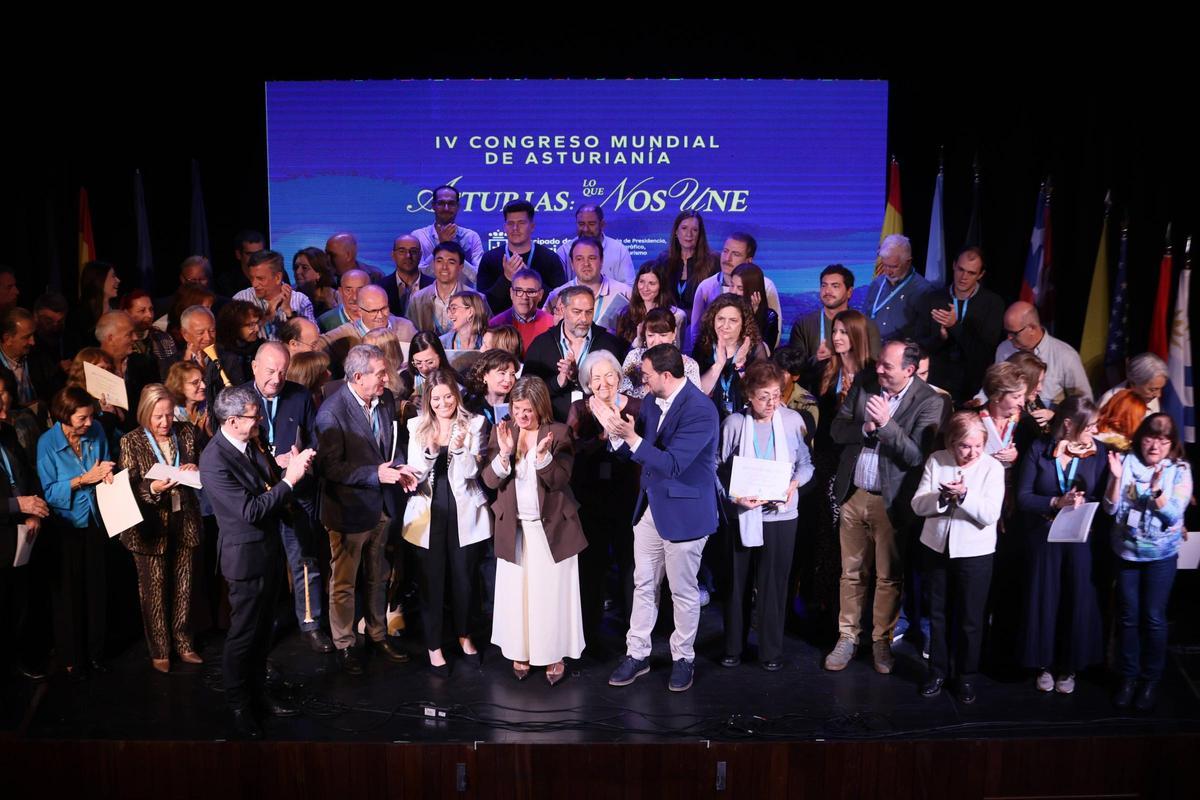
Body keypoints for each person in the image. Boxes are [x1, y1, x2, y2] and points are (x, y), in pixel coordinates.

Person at [601, 344, 720, 692]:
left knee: (682, 591)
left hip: (684, 512)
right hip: (651, 507)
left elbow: (673, 464)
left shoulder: (701, 410)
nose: (643, 381)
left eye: (647, 375)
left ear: (666, 375)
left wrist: (632, 437)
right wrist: (618, 436)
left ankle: (683, 658)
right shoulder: (652, 401)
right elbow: (646, 454)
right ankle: (637, 653)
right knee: (643, 585)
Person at [199, 385, 315, 739]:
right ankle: (240, 705)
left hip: (268, 551)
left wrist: (283, 472)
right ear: (232, 421)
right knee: (243, 636)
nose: (259, 420)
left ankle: (259, 694)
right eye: (253, 416)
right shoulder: (214, 459)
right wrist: (290, 481)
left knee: (264, 632)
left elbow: (265, 488)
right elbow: (250, 510)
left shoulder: (252, 443)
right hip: (244, 559)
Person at [825, 339, 945, 674]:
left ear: (909, 370)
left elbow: (916, 455)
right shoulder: (865, 384)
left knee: (889, 577)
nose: (878, 370)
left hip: (891, 502)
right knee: (851, 573)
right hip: (854, 494)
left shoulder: (929, 401)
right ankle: (847, 637)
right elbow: (837, 429)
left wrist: (888, 426)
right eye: (879, 363)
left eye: (887, 367)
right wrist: (865, 427)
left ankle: (881, 640)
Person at [315, 345, 416, 674]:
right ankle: (345, 643)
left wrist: (400, 467)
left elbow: (390, 444)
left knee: (379, 576)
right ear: (358, 377)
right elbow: (330, 468)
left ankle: (377, 633)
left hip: (382, 507)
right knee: (344, 582)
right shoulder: (332, 413)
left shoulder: (384, 400)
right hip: (348, 511)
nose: (386, 379)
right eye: (380, 374)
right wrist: (375, 475)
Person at [482, 376, 585, 685]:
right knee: (518, 596)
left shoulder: (559, 433)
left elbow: (559, 480)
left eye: (528, 409)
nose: (522, 416)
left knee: (550, 597)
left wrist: (543, 459)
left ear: (540, 407)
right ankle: (521, 650)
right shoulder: (504, 432)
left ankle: (553, 653)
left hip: (550, 530)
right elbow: (489, 481)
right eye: (517, 408)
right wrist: (503, 454)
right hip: (515, 529)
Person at [717, 360, 814, 670]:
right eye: (763, 396)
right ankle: (733, 647)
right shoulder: (734, 423)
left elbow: (806, 464)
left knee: (773, 585)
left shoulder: (791, 420)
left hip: (781, 516)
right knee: (737, 583)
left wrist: (793, 485)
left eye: (776, 394)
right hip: (742, 512)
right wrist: (733, 497)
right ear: (748, 395)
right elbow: (716, 468)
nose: (772, 403)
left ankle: (770, 651)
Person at [910, 412, 1005, 703]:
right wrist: (940, 498)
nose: (972, 452)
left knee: (970, 619)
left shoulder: (992, 468)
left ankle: (965, 676)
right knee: (937, 614)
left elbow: (991, 514)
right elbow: (916, 504)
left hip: (975, 553)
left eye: (978, 446)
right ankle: (937, 670)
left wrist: (964, 496)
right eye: (965, 446)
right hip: (937, 548)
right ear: (952, 443)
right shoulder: (937, 460)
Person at [242, 342, 331, 652]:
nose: (277, 378)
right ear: (254, 367)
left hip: (297, 495)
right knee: (264, 565)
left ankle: (311, 623)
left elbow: (316, 444)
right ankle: (264, 624)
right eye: (270, 371)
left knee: (306, 560)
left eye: (282, 371)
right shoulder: (238, 398)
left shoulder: (300, 395)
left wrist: (303, 458)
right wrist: (270, 464)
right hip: (258, 498)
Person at [1015, 396, 1107, 694]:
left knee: (1075, 598)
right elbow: (1024, 497)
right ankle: (1043, 664)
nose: (1094, 430)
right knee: (1046, 599)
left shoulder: (1098, 452)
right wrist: (1056, 501)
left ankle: (1069, 666)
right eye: (1089, 426)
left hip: (1080, 538)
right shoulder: (1040, 450)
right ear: (1068, 424)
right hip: (1045, 536)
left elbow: (1105, 498)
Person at [1103, 413, 1193, 711]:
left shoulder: (1179, 470)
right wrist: (1115, 478)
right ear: (1141, 437)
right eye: (1150, 438)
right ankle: (1128, 677)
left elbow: (1174, 515)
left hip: (1160, 557)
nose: (1155, 445)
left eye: (1163, 440)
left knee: (1153, 618)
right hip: (1126, 553)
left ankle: (1150, 679)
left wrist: (1156, 493)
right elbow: (1110, 508)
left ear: (1172, 443)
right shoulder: (1126, 462)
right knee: (1128, 617)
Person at [402, 370, 489, 675]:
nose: (443, 403)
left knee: (464, 580)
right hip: (428, 511)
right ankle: (434, 645)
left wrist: (461, 447)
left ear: (457, 395)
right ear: (428, 400)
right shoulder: (415, 426)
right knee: (431, 582)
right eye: (436, 398)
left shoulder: (475, 423)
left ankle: (465, 637)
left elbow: (470, 473)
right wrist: (428, 452)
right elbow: (415, 474)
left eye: (448, 397)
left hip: (464, 511)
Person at [117, 384, 204, 673]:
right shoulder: (131, 441)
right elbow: (127, 488)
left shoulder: (188, 432)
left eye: (168, 415)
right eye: (158, 417)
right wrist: (152, 488)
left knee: (185, 587)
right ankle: (160, 648)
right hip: (150, 527)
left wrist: (194, 468)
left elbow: (204, 465)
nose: (165, 423)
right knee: (153, 592)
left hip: (185, 520)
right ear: (145, 415)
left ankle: (184, 643)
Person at [37, 386, 115, 678]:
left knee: (96, 590)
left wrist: (106, 473)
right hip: (65, 526)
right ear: (65, 416)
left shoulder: (96, 434)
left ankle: (96, 653)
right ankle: (72, 657)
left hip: (96, 520)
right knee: (68, 595)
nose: (89, 423)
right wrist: (83, 479)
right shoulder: (47, 443)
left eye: (91, 417)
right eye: (82, 418)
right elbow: (49, 492)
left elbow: (106, 465)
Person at [567, 350, 644, 639]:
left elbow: (644, 452)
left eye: (609, 375)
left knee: (630, 566)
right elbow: (573, 452)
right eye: (596, 377)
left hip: (628, 496)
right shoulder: (581, 410)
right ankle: (590, 633)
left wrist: (622, 434)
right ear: (588, 381)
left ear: (618, 376)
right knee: (592, 567)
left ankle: (634, 634)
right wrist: (603, 437)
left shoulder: (636, 406)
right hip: (591, 499)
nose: (603, 383)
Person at [0, 377, 51, 681]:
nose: (4, 408)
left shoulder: (6, 433)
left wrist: (34, 511)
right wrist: (19, 506)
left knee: (20, 606)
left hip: (21, 538)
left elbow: (25, 474)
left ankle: (18, 661)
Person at [523, 285, 630, 422]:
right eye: (577, 312)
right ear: (562, 309)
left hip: (599, 428)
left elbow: (622, 387)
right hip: (554, 427)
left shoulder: (609, 344)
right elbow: (528, 391)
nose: (584, 319)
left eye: (589, 312)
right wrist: (558, 381)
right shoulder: (541, 345)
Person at [913, 247, 1004, 405]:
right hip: (936, 384)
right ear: (954, 265)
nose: (963, 277)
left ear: (981, 275)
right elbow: (920, 346)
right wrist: (941, 337)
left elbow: (984, 352)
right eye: (961, 269)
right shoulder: (932, 299)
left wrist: (954, 326)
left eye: (971, 273)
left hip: (971, 388)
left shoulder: (993, 304)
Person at [690, 233, 783, 350]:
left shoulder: (766, 286)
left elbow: (773, 334)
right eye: (725, 251)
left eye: (736, 254)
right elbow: (696, 332)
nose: (727, 258)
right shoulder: (706, 287)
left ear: (748, 260)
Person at [477, 200, 567, 315]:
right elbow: (483, 306)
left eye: (521, 223)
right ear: (505, 227)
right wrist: (506, 279)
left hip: (541, 327)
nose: (515, 228)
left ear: (532, 226)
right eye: (510, 223)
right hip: (500, 328)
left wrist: (530, 277)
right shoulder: (489, 259)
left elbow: (559, 303)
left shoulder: (550, 258)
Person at [995, 301, 1092, 405]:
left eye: (1014, 333)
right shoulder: (1004, 349)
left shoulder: (1066, 356)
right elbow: (996, 387)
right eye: (1007, 332)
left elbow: (1084, 404)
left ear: (1032, 328)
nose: (1009, 337)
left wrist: (1055, 415)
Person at [693, 295, 769, 422]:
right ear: (713, 320)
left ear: (743, 323)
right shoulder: (703, 346)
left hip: (743, 418)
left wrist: (740, 366)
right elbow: (697, 393)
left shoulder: (755, 348)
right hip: (708, 418)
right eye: (720, 319)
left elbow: (760, 394)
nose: (725, 326)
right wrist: (718, 365)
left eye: (733, 320)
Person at [788, 264, 881, 367]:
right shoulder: (804, 324)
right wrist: (817, 359)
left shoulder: (865, 324)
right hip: (814, 382)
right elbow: (795, 367)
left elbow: (874, 366)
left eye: (835, 286)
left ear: (849, 292)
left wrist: (839, 358)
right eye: (824, 285)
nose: (827, 291)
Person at [322, 284, 418, 373]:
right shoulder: (346, 333)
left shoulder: (406, 327)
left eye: (384, 308)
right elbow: (316, 346)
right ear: (360, 311)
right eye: (373, 311)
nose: (380, 316)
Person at [543, 237, 631, 334]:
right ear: (572, 264)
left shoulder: (625, 293)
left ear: (601, 261)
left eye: (592, 258)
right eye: (579, 259)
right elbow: (546, 331)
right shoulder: (556, 296)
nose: (586, 264)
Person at [654, 211, 718, 337]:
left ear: (700, 235)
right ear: (676, 232)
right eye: (684, 228)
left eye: (694, 230)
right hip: (668, 324)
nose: (689, 234)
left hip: (701, 326)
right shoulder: (664, 259)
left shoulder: (712, 261)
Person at [406, 242, 490, 336]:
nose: (444, 267)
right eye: (439, 261)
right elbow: (409, 334)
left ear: (460, 267)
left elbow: (488, 335)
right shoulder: (417, 299)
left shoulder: (477, 299)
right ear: (433, 264)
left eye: (451, 262)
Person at [619, 307, 701, 399]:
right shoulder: (634, 357)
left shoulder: (688, 366)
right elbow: (620, 392)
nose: (657, 341)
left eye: (663, 335)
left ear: (674, 334)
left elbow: (695, 402)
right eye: (651, 335)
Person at [863, 234, 932, 342]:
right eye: (885, 265)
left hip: (900, 354)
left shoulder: (923, 290)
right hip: (871, 351)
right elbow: (864, 317)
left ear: (908, 262)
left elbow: (924, 333)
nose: (888, 271)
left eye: (894, 266)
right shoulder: (877, 284)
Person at [412, 184, 484, 283]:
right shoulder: (418, 236)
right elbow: (418, 276)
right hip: (428, 297)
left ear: (457, 206)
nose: (446, 208)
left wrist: (456, 253)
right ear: (433, 206)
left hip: (463, 296)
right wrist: (442, 245)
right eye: (441, 203)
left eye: (451, 203)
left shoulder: (471, 237)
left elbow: (478, 277)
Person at [233, 250, 316, 333]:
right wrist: (267, 316)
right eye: (252, 278)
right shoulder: (241, 300)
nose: (254, 284)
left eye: (260, 279)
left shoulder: (301, 301)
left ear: (277, 278)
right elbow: (231, 337)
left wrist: (289, 312)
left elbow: (313, 340)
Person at [554, 204, 635, 285]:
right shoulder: (564, 251)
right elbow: (559, 288)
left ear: (602, 224)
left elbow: (628, 287)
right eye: (581, 224)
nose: (586, 229)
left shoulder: (619, 250)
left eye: (591, 224)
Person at [615, 262, 687, 349]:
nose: (645, 288)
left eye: (651, 283)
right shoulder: (625, 314)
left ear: (661, 286)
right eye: (641, 282)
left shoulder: (677, 316)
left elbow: (677, 351)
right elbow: (621, 353)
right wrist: (638, 340)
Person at [487, 268, 555, 351]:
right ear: (511, 293)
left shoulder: (552, 325)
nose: (524, 297)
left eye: (530, 292)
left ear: (540, 295)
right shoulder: (495, 325)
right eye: (519, 290)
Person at [68, 260, 120, 350]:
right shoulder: (78, 316)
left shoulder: (117, 311)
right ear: (99, 280)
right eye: (113, 276)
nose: (118, 280)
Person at [730, 262, 779, 354]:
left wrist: (751, 316)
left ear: (753, 292)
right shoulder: (722, 311)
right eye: (732, 285)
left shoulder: (769, 317)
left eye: (740, 288)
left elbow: (766, 352)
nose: (733, 291)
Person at [464, 348, 519, 426]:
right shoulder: (470, 409)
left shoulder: (518, 405)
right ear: (484, 375)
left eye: (512, 374)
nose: (508, 380)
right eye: (502, 373)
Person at [383, 234, 433, 319]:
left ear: (420, 255)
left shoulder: (433, 286)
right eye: (402, 251)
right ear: (393, 255)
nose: (408, 256)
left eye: (413, 251)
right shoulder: (381, 287)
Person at [316, 268, 371, 333]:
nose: (354, 297)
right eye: (348, 290)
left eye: (360, 290)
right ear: (340, 291)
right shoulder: (324, 322)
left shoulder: (380, 317)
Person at [216, 230, 265, 298]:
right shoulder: (227, 281)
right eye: (249, 254)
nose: (255, 258)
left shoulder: (275, 273)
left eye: (259, 253)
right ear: (238, 254)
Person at [165, 360, 208, 433]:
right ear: (179, 386)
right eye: (195, 383)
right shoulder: (172, 416)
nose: (204, 386)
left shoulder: (208, 405)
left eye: (203, 380)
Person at [292, 247, 337, 318]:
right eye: (296, 267)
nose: (298, 272)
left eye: (304, 268)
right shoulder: (290, 296)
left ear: (319, 274)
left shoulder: (336, 298)